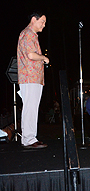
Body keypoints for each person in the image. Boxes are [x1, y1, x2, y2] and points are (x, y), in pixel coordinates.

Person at [17, 11, 49, 149]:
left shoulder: (29, 34)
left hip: (32, 77)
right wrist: (43, 58)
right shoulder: (29, 34)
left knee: (31, 108)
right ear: (33, 20)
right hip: (30, 77)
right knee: (30, 108)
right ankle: (29, 139)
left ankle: (29, 138)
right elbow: (31, 54)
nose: (43, 25)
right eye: (42, 21)